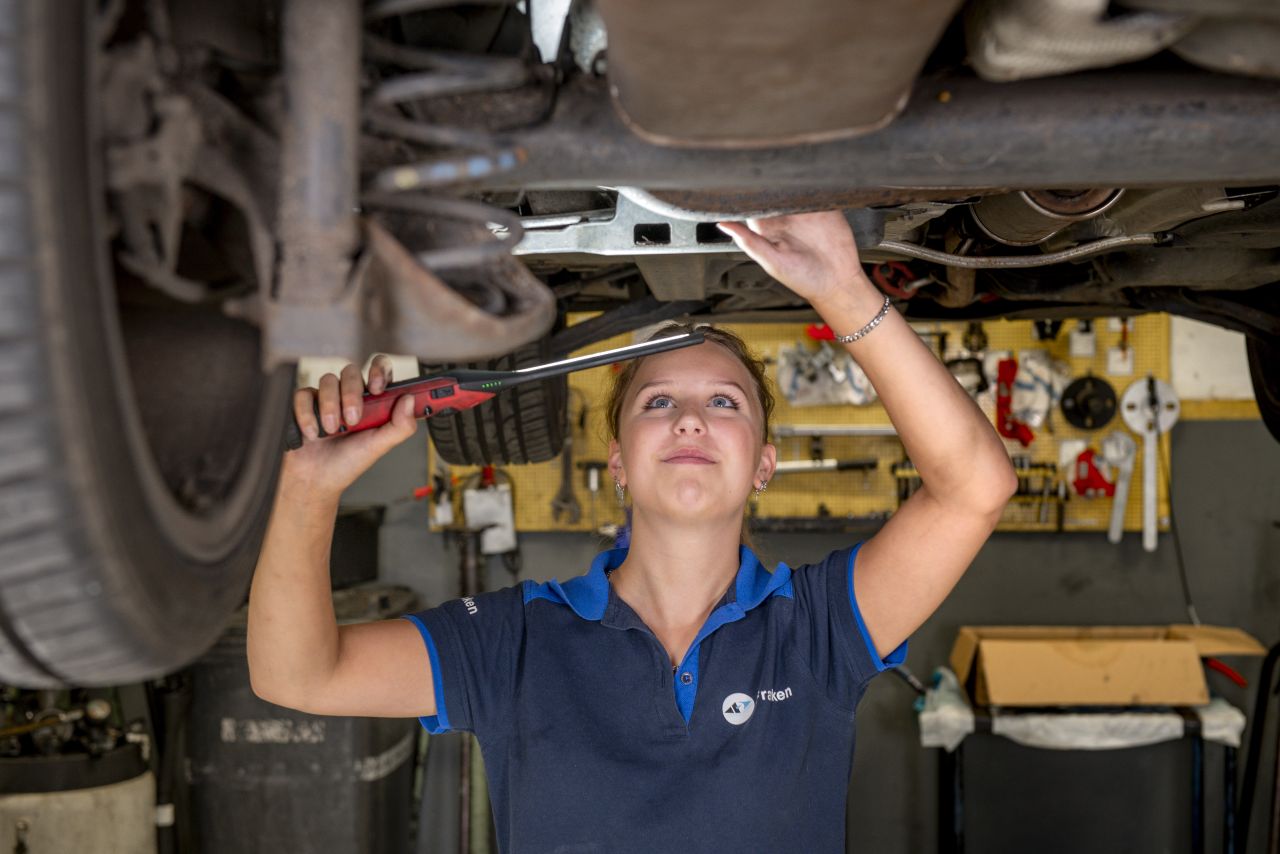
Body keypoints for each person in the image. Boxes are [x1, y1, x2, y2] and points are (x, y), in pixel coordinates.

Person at [248, 211, 1017, 853]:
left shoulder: (818, 629)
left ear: (764, 464)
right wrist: (305, 490)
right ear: (617, 461)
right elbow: (297, 677)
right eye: (657, 403)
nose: (690, 418)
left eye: (724, 402)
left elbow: (976, 488)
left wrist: (843, 291)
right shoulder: (514, 640)